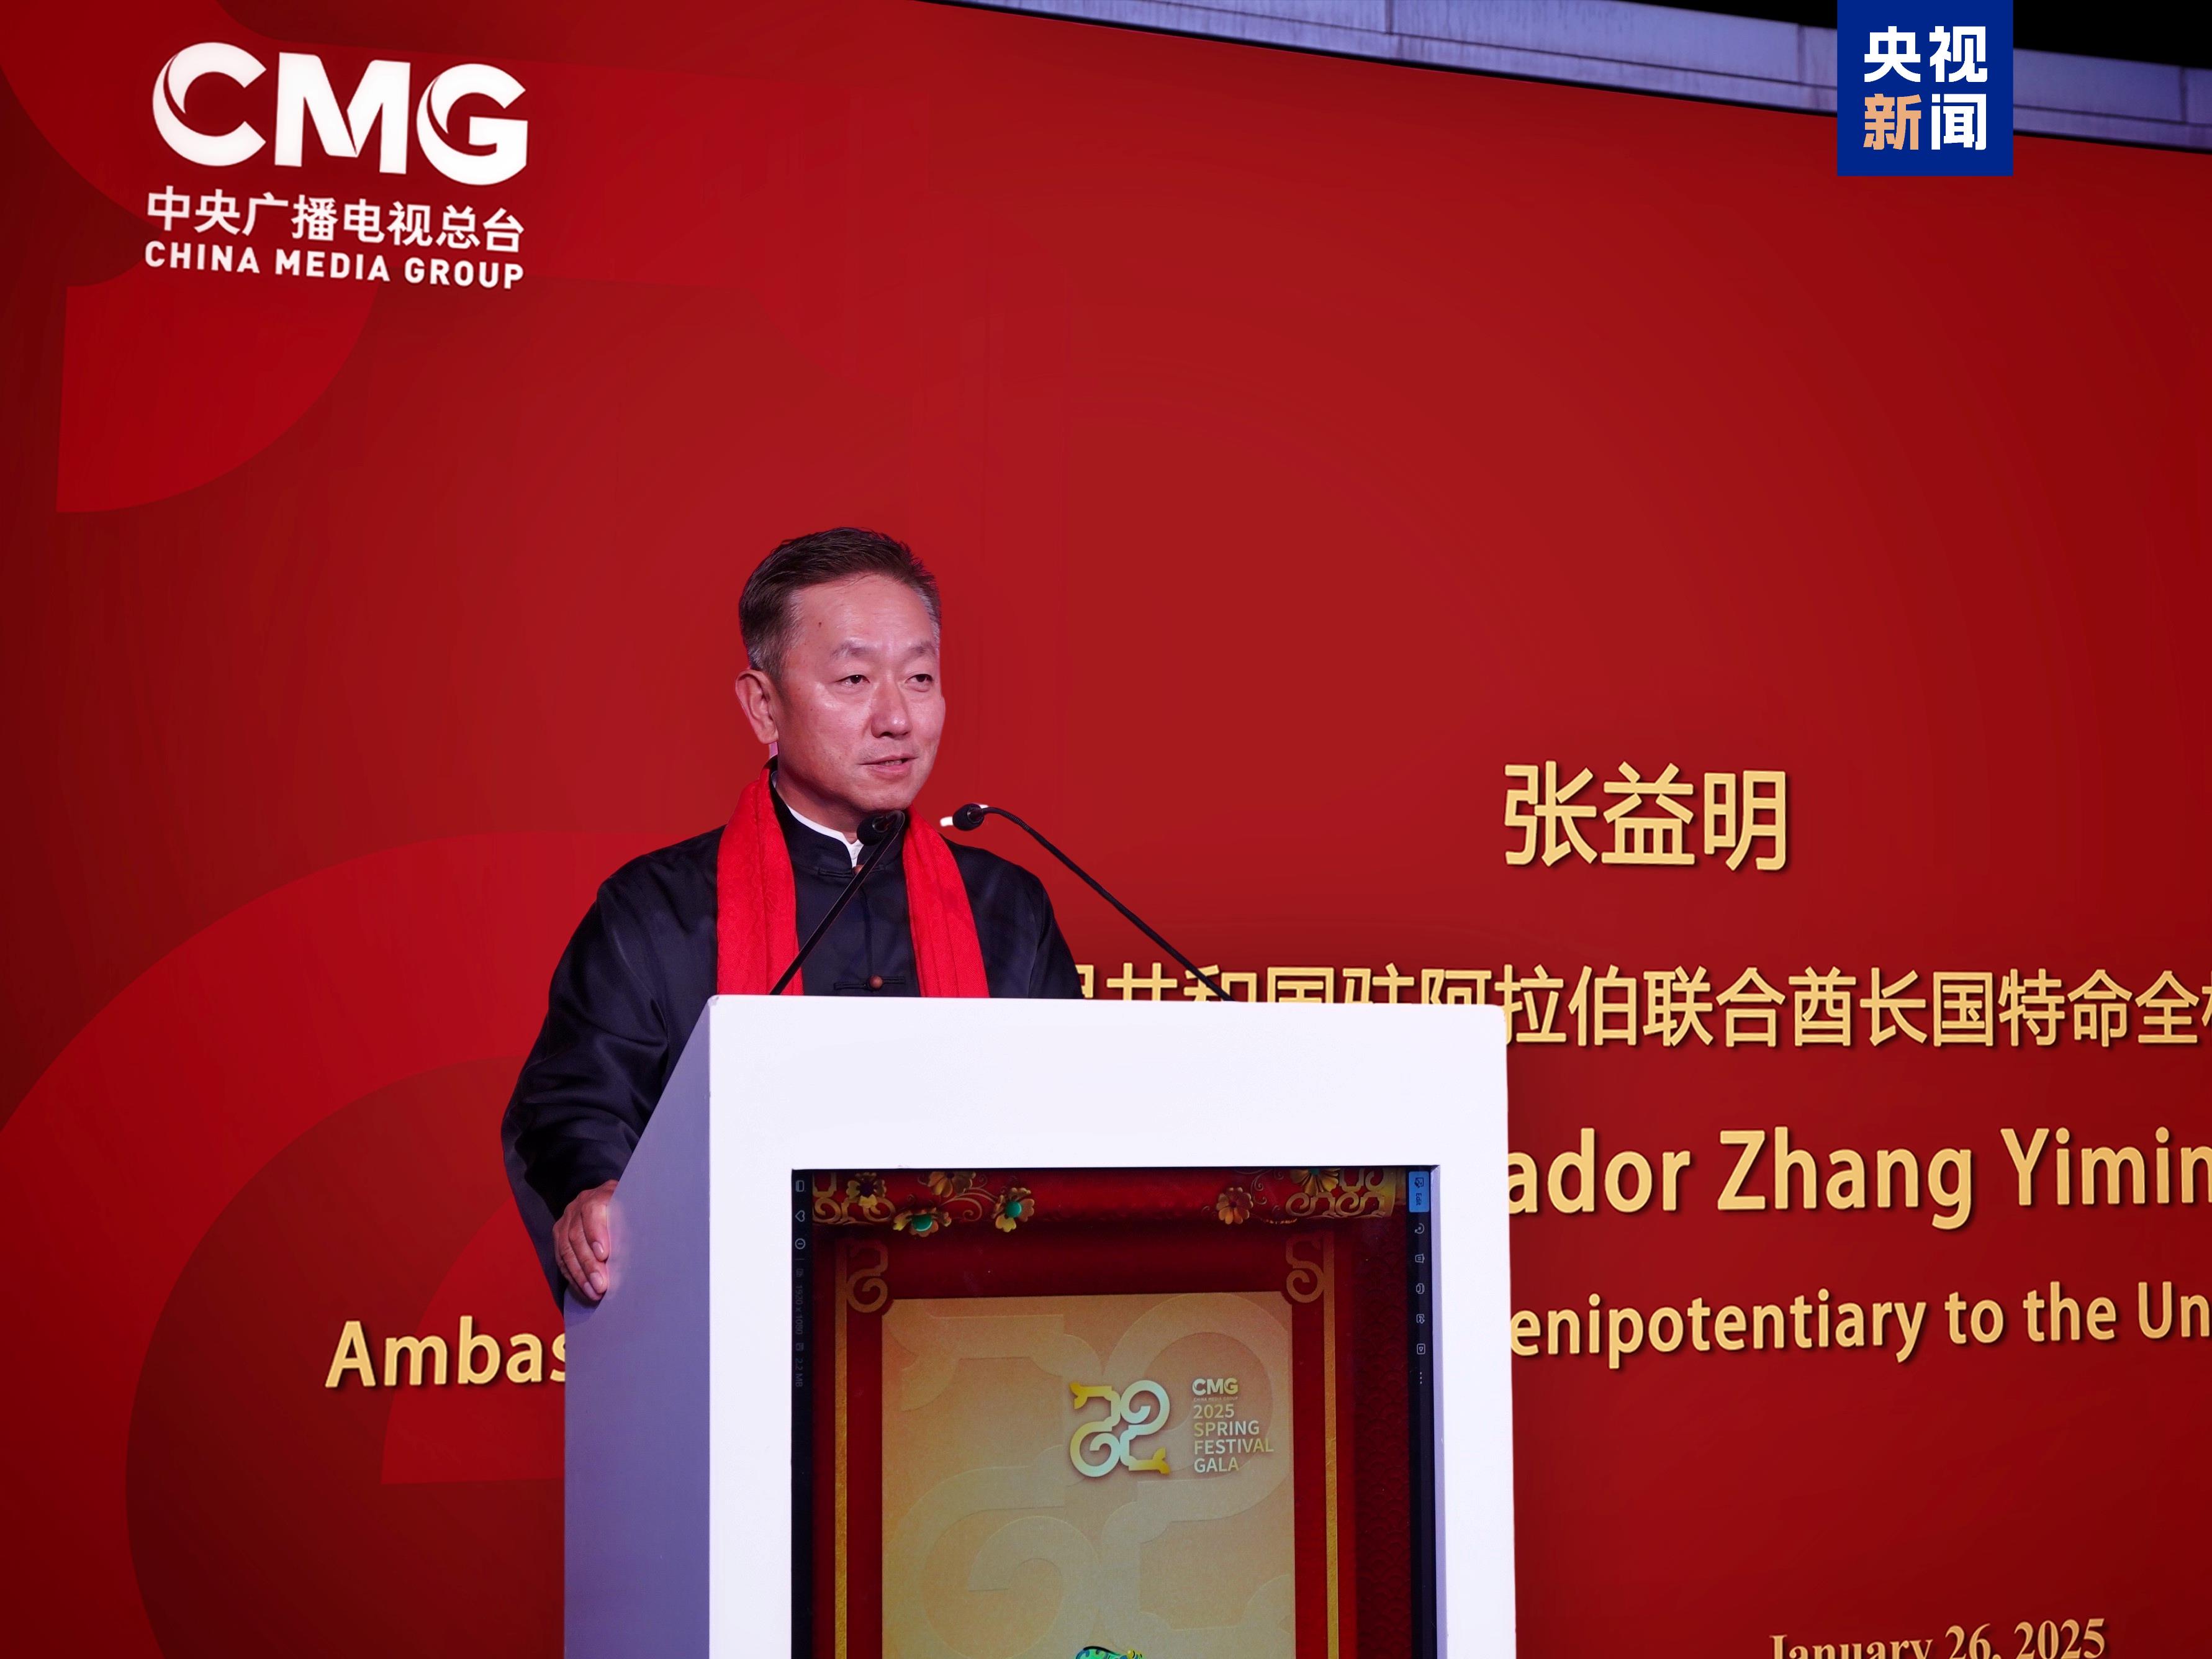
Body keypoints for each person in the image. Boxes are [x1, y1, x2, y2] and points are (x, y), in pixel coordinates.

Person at [502, 527, 1083, 1303]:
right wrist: (595, 1190)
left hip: (973, 1327)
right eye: (853, 679)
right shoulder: (658, 909)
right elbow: (578, 1105)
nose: (896, 718)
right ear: (763, 705)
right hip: (738, 1315)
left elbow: (1072, 1119)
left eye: (919, 677)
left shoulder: (1006, 908)